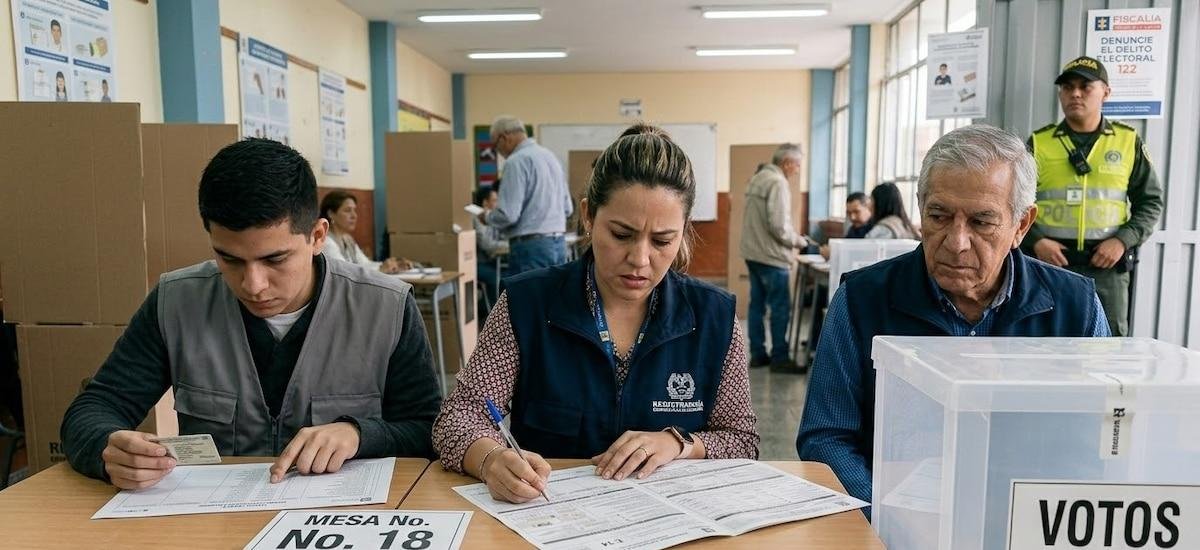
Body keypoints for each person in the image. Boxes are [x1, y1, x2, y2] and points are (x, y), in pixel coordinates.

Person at [61, 139, 442, 490]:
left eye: (275, 259)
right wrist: (107, 448)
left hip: (336, 521)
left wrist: (359, 434)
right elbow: (94, 409)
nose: (253, 284)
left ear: (317, 236)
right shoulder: (177, 302)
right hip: (214, 522)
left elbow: (428, 430)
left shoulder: (385, 307)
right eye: (229, 259)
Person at [796, 124, 1110, 516]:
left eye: (981, 222)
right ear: (920, 209)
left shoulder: (1074, 307)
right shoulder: (863, 300)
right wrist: (888, 516)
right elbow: (826, 436)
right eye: (940, 216)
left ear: (1022, 225)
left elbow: (1103, 440)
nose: (956, 241)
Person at [434, 124, 758, 504]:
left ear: (684, 231)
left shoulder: (714, 319)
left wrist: (678, 442)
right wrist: (489, 459)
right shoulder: (527, 304)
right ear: (588, 216)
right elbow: (459, 417)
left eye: (662, 241)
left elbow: (742, 441)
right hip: (550, 517)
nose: (640, 259)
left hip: (669, 522)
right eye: (621, 234)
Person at [1022, 56, 1162, 336]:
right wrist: (1036, 241)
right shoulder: (1039, 142)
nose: (1075, 93)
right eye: (1067, 87)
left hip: (1106, 269)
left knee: (1108, 346)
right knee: (1041, 340)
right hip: (1048, 264)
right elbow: (1013, 202)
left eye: (1085, 86)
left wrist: (1122, 241)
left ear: (1105, 93)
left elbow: (1150, 201)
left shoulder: (1127, 141)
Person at [477, 116, 573, 275]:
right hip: (559, 245)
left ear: (504, 138)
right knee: (554, 298)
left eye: (496, 146)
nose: (498, 152)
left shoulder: (516, 162)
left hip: (531, 248)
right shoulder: (551, 157)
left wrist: (486, 217)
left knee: (529, 299)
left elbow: (508, 215)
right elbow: (568, 209)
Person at [740, 144, 806, 370]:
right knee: (780, 308)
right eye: (797, 165)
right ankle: (780, 357)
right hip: (771, 256)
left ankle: (757, 354)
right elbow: (779, 226)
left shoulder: (758, 178)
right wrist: (801, 241)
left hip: (753, 253)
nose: (797, 170)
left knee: (756, 305)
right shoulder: (778, 182)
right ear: (787, 163)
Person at [319, 190, 407, 274]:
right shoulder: (327, 242)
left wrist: (393, 264)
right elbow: (344, 273)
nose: (354, 216)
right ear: (330, 213)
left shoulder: (347, 239)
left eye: (354, 210)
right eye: (348, 210)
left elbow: (365, 264)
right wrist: (381, 269)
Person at [473, 186, 508, 319]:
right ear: (485, 202)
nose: (497, 204)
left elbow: (502, 237)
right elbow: (488, 245)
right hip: (478, 264)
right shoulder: (477, 219)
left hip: (492, 261)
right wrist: (512, 245)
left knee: (508, 274)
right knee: (496, 278)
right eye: (494, 200)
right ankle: (495, 317)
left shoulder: (493, 218)